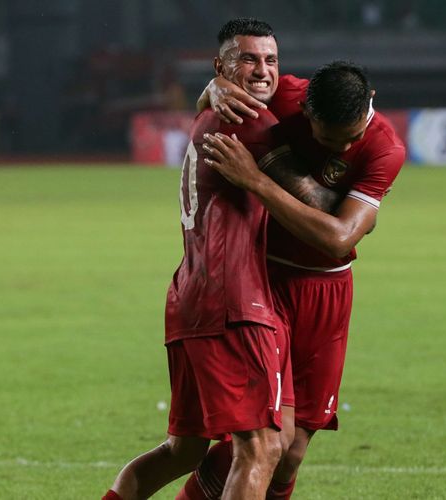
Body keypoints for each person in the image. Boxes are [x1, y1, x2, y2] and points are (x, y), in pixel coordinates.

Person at [103, 18, 339, 500]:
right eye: (247, 59)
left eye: (270, 60)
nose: (261, 70)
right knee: (262, 446)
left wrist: (210, 91)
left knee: (183, 451)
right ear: (221, 66)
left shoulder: (212, 112)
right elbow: (321, 208)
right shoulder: (250, 120)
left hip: (190, 297)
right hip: (236, 305)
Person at [177, 61, 406, 499]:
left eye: (351, 138)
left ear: (370, 101)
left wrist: (255, 180)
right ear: (304, 107)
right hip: (266, 282)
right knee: (268, 439)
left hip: (328, 290)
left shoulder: (384, 148)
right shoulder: (284, 94)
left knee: (294, 450)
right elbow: (220, 96)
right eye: (326, 139)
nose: (341, 149)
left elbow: (339, 238)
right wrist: (215, 84)